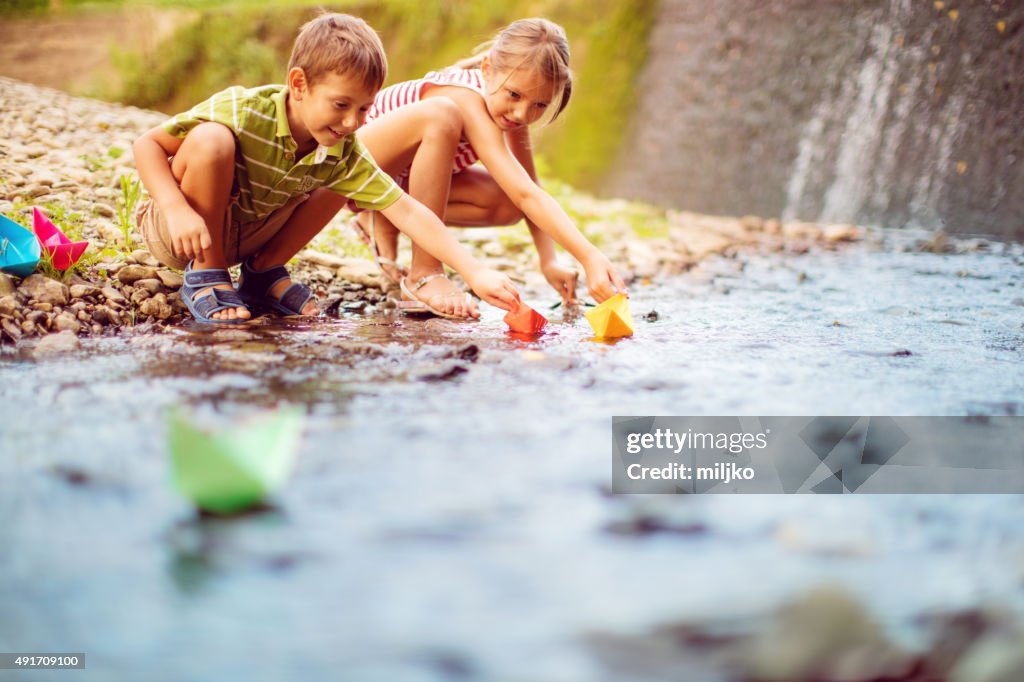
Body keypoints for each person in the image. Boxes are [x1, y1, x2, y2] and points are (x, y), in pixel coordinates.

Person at [133, 12, 518, 323]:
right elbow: (147, 144)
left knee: (342, 177)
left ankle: (263, 272)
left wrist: (473, 271)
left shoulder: (343, 148)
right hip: (181, 229)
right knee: (211, 140)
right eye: (340, 105)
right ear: (299, 85)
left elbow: (408, 210)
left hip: (245, 234)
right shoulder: (245, 110)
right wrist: (175, 209)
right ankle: (207, 274)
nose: (352, 122)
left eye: (364, 108)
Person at [350, 17, 627, 319]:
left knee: (509, 206)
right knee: (442, 116)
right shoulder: (465, 96)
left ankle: (384, 218)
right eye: (515, 95)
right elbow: (527, 194)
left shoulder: (510, 113)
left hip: (394, 188)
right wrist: (589, 256)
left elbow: (527, 191)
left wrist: (549, 260)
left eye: (540, 105)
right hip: (352, 166)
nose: (522, 112)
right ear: (487, 68)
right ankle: (425, 273)